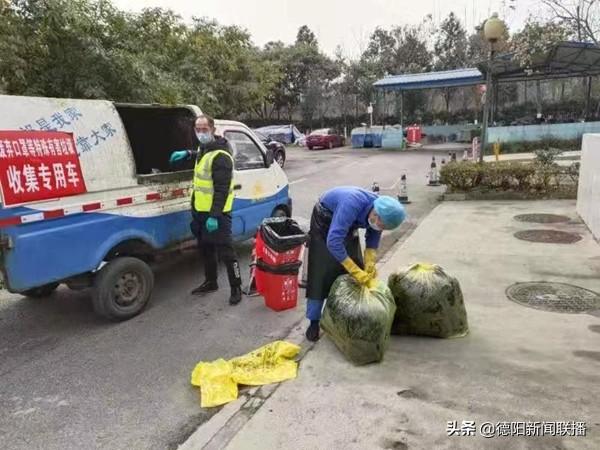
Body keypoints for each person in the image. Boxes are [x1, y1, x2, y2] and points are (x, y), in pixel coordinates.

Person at [305, 187, 406, 342]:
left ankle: (343, 314)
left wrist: (370, 262)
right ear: (375, 212)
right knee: (321, 272)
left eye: (384, 227)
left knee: (353, 265)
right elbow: (333, 242)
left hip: (348, 222)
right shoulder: (352, 203)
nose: (380, 227)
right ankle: (314, 321)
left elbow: (373, 237)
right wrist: (354, 270)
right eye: (380, 223)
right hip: (324, 218)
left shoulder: (380, 212)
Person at [169, 115, 242, 305]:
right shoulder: (204, 149)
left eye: (204, 129)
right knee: (206, 249)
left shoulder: (222, 157)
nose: (200, 132)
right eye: (197, 129)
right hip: (201, 212)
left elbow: (222, 190)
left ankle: (236, 287)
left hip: (217, 215)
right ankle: (211, 282)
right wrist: (188, 153)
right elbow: (202, 154)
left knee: (227, 253)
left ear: (212, 129)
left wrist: (214, 216)